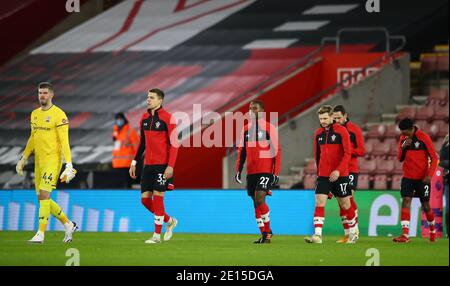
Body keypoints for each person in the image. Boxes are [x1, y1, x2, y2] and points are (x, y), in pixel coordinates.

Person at [15, 82, 77, 244]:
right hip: (39, 162)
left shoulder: (59, 115)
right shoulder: (34, 114)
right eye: (39, 93)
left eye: (44, 93)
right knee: (43, 199)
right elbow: (32, 138)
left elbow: (64, 141)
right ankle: (68, 224)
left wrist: (69, 164)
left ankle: (40, 234)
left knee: (44, 195)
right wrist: (23, 158)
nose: (42, 96)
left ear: (51, 95)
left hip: (53, 160)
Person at [129, 88, 178, 244]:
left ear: (160, 100)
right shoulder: (144, 118)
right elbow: (142, 143)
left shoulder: (168, 118)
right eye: (147, 97)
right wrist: (134, 162)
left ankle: (156, 236)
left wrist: (170, 166)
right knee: (145, 201)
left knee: (158, 198)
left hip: (162, 165)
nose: (148, 100)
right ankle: (170, 221)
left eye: (151, 97)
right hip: (148, 166)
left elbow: (175, 145)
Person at [305, 105, 358, 244]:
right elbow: (317, 156)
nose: (322, 121)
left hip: (340, 175)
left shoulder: (342, 132)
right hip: (323, 175)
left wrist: (338, 170)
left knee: (345, 204)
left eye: (324, 118)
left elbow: (348, 154)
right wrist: (319, 173)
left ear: (331, 117)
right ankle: (317, 235)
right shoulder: (318, 134)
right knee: (319, 201)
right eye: (320, 118)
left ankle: (353, 232)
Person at [235, 100, 281, 244]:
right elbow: (241, 151)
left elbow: (277, 151)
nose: (251, 111)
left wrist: (276, 172)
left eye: (254, 109)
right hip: (251, 170)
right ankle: (263, 234)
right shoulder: (245, 129)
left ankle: (267, 232)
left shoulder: (269, 128)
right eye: (249, 108)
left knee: (260, 198)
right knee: (255, 202)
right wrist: (238, 170)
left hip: (265, 170)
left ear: (261, 111)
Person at [393, 118, 439, 243]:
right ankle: (405, 235)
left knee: (426, 206)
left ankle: (432, 230)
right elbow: (399, 159)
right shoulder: (403, 139)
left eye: (405, 132)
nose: (403, 135)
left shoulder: (424, 138)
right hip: (408, 177)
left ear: (411, 129)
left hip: (422, 179)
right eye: (402, 132)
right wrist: (403, 147)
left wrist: (429, 176)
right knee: (406, 201)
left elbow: (434, 158)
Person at [332, 105, 365, 243]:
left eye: (339, 117)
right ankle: (347, 234)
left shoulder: (354, 130)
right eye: (335, 118)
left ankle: (354, 230)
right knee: (341, 202)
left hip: (350, 169)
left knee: (348, 199)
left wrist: (347, 150)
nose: (337, 120)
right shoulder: (332, 130)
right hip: (337, 169)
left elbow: (362, 151)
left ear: (345, 116)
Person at [112, 112, 140, 188]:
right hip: (117, 164)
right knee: (118, 187)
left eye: (120, 119)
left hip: (127, 165)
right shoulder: (116, 131)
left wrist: (136, 162)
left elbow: (137, 147)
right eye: (117, 119)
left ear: (124, 120)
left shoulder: (130, 131)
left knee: (126, 186)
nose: (119, 121)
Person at [439, 134, 448, 238]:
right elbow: (441, 162)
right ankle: (448, 233)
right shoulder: (446, 146)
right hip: (448, 181)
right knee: (448, 209)